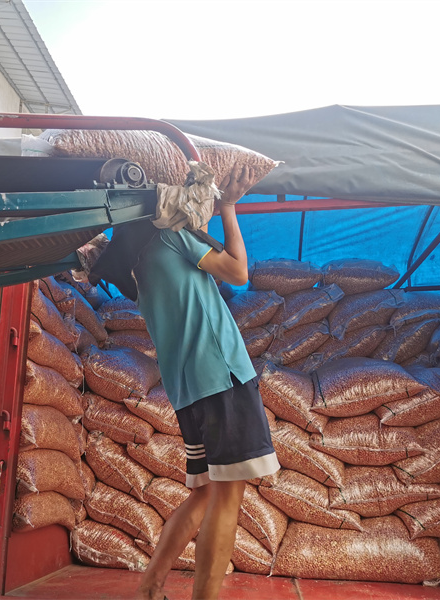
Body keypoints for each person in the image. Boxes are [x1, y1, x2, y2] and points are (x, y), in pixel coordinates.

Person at [133, 163, 281, 600]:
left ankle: (149, 589)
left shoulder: (137, 260)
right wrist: (229, 207)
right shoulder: (171, 235)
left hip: (186, 391)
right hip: (221, 375)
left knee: (203, 494)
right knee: (227, 497)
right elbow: (238, 271)